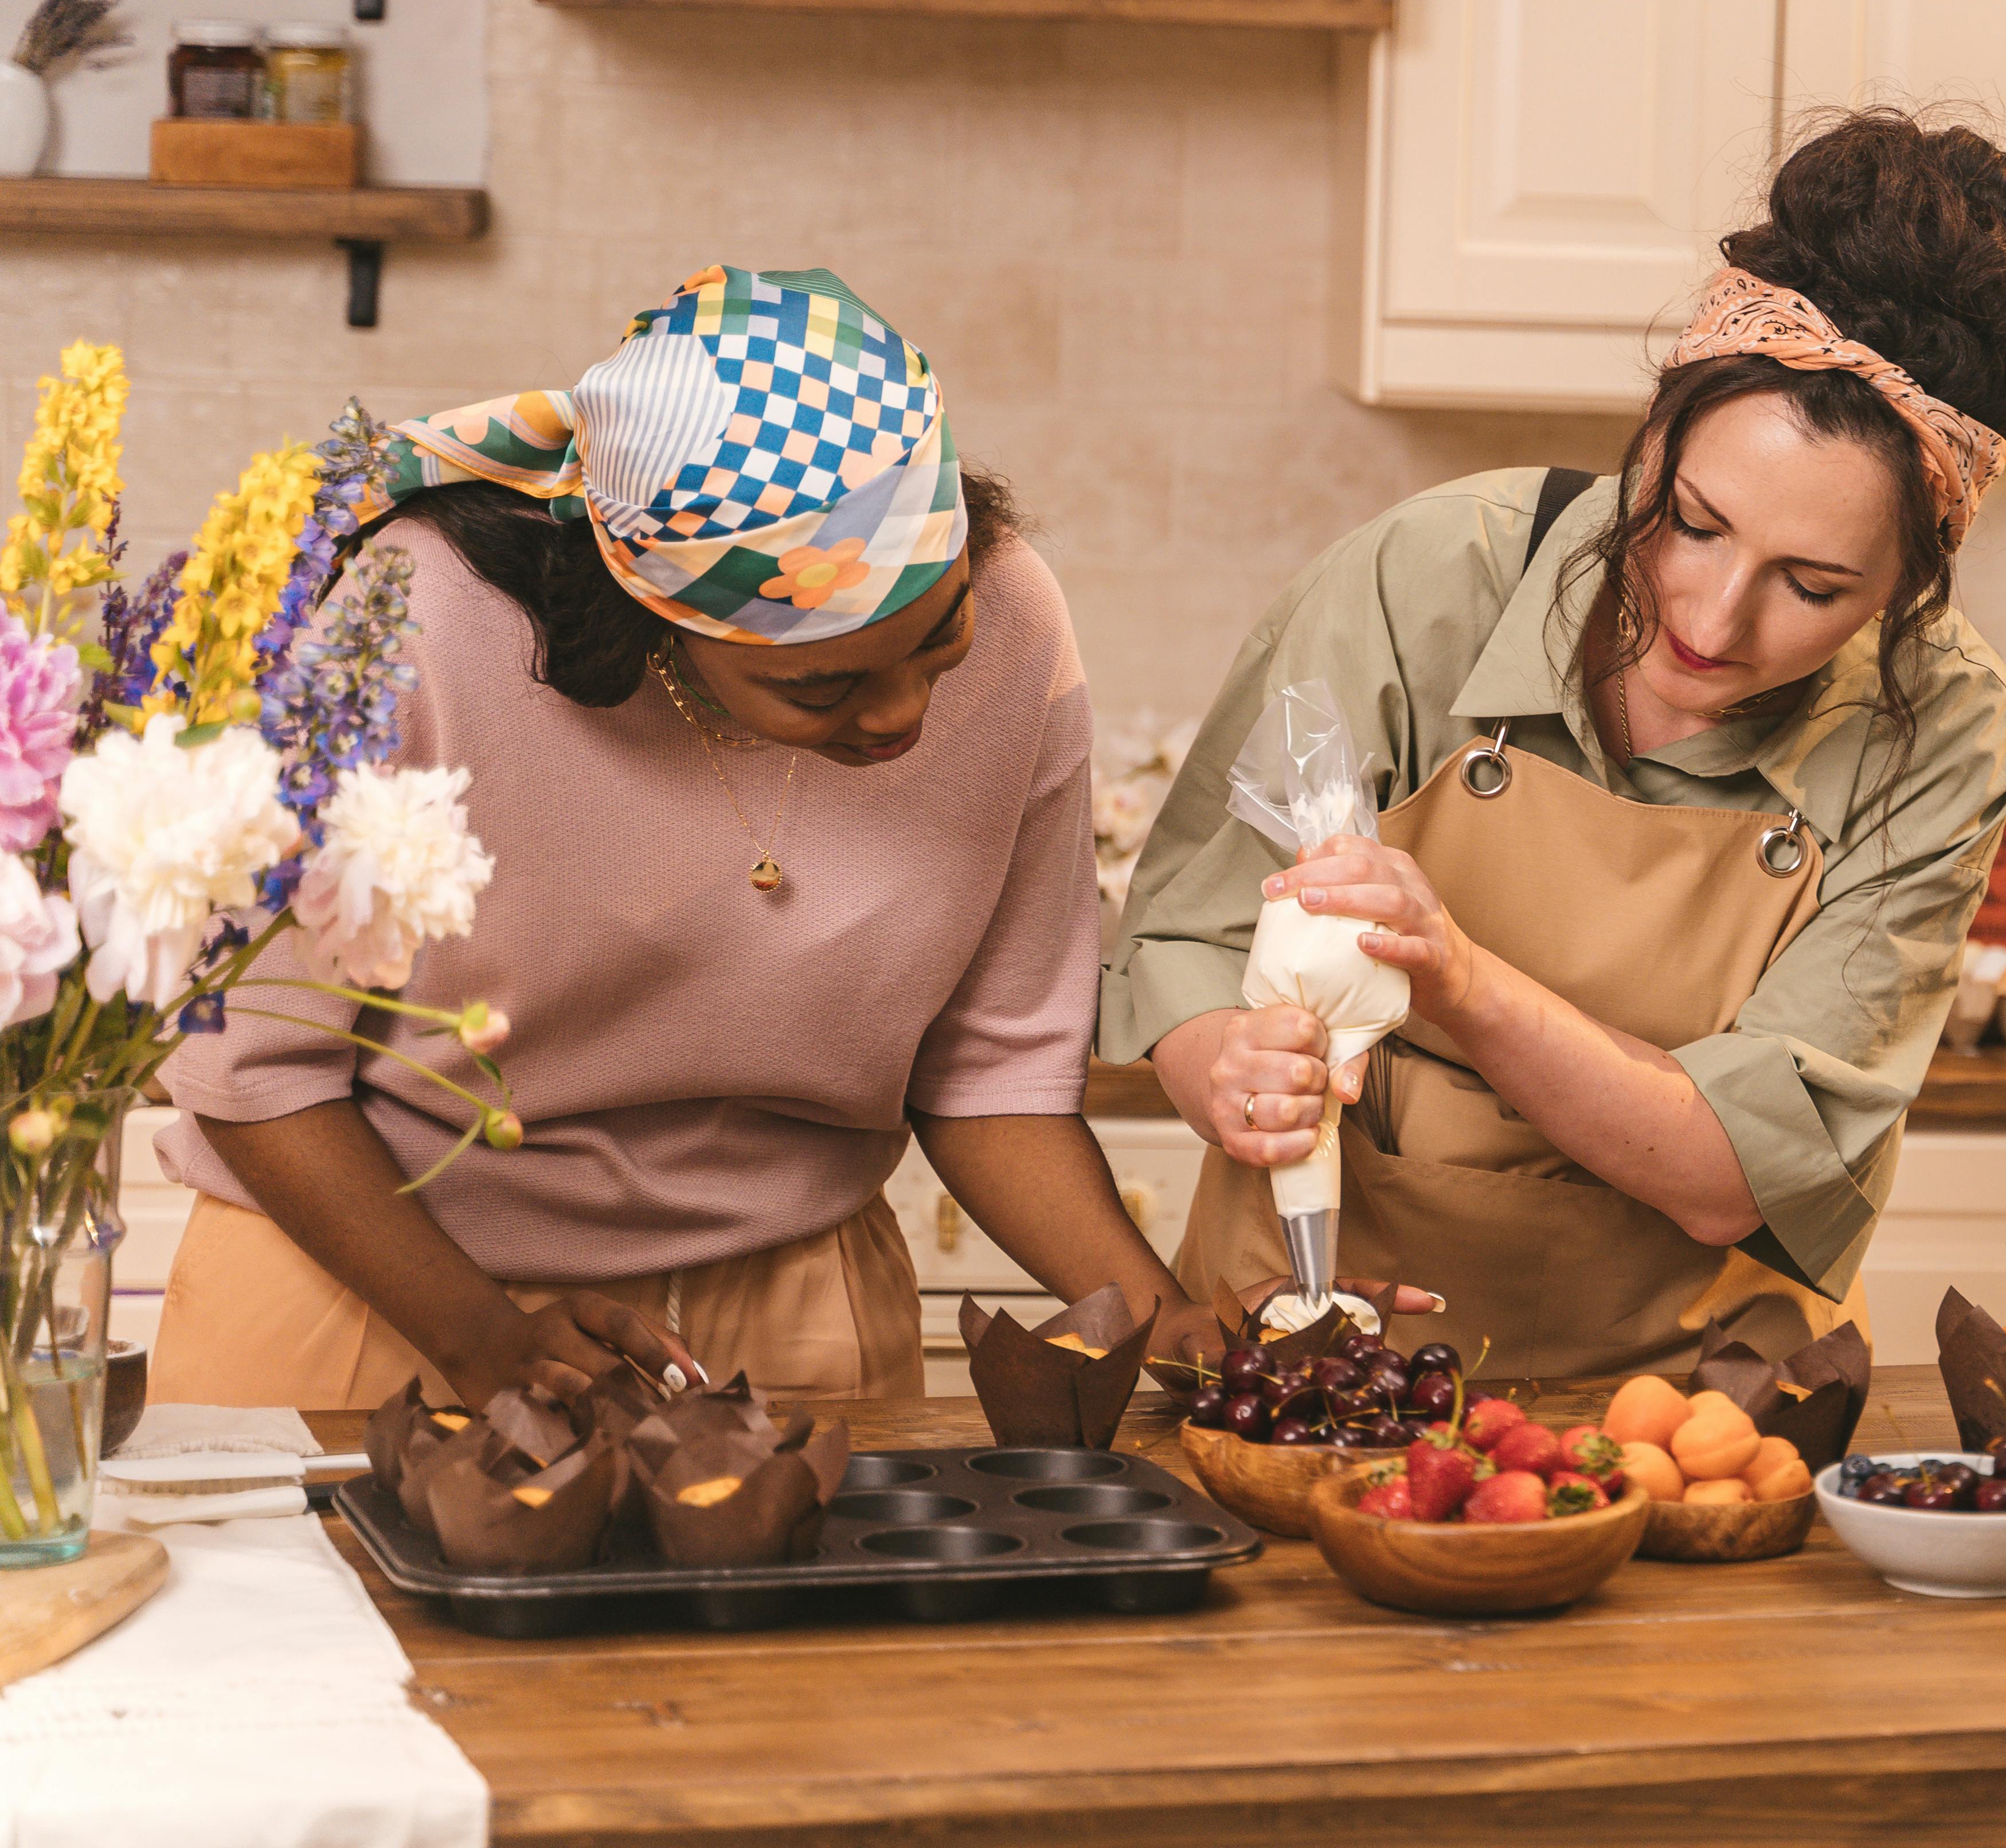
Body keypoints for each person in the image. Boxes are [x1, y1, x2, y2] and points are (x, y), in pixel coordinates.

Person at [148, 265, 1253, 1408]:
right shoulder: (413, 628)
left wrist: (1163, 1314)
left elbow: (993, 1066)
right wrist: (480, 1336)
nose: (902, 716)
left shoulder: (1019, 619)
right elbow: (258, 1062)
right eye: (826, 686)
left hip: (800, 1307)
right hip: (372, 1293)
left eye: (940, 643)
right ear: (660, 619)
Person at [1104, 111, 2006, 1380]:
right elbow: (1187, 938)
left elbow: (1738, 1172)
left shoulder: (1945, 732)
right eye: (1693, 520)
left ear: (1912, 579)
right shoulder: (1427, 576)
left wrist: (1453, 974)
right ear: (1656, 427)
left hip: (1700, 1400)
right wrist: (1227, 1067)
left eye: (1817, 587)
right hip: (1312, 1342)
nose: (1712, 618)